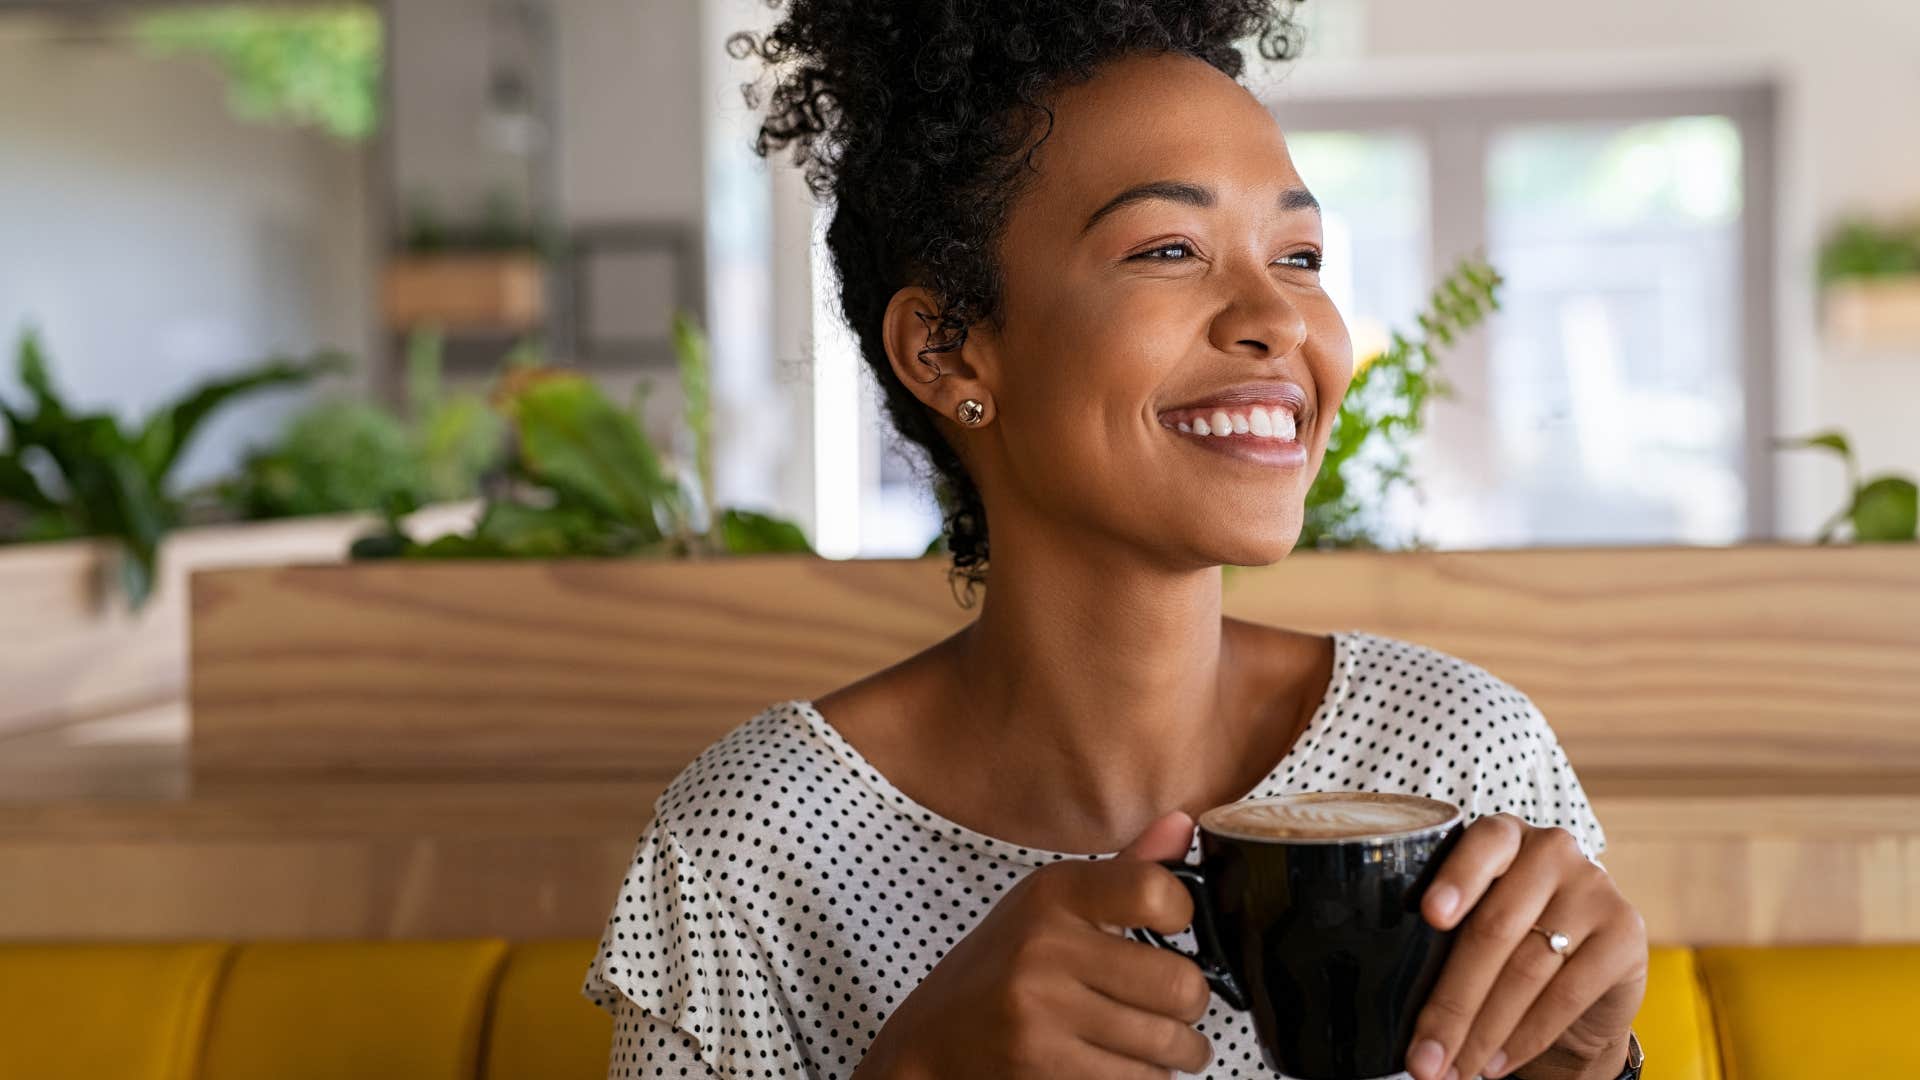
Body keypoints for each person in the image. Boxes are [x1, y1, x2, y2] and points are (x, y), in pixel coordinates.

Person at [583, 2, 1649, 1077]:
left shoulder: (1462, 756)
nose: (1277, 317)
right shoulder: (747, 849)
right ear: (949, 352)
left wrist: (1594, 1067)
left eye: (1301, 254)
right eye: (1171, 248)